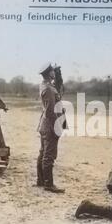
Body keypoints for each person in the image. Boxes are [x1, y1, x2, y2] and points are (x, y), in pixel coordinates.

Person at [35, 63, 65, 193]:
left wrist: (58, 75)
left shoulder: (47, 85)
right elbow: (50, 111)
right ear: (49, 73)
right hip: (50, 126)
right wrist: (57, 127)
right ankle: (48, 184)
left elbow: (59, 87)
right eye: (53, 70)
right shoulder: (48, 89)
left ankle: (41, 180)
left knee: (43, 153)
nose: (54, 71)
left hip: (45, 125)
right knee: (48, 155)